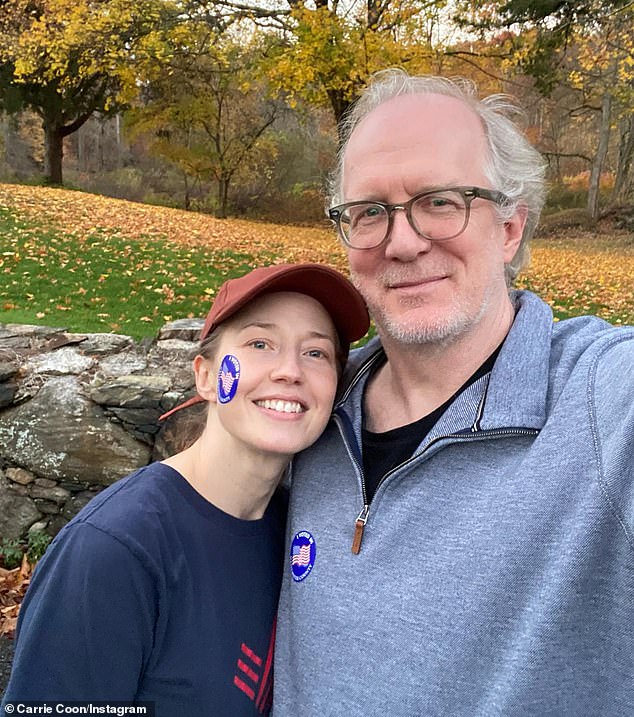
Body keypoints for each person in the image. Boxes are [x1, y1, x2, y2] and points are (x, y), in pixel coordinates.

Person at [273, 70, 634, 716]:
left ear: (509, 228)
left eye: (441, 200)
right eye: (369, 212)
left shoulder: (601, 402)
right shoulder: (309, 411)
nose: (403, 242)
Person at [1, 263, 369, 716]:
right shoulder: (113, 552)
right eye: (260, 344)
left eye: (316, 353)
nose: (290, 371)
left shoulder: (301, 532)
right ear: (207, 377)